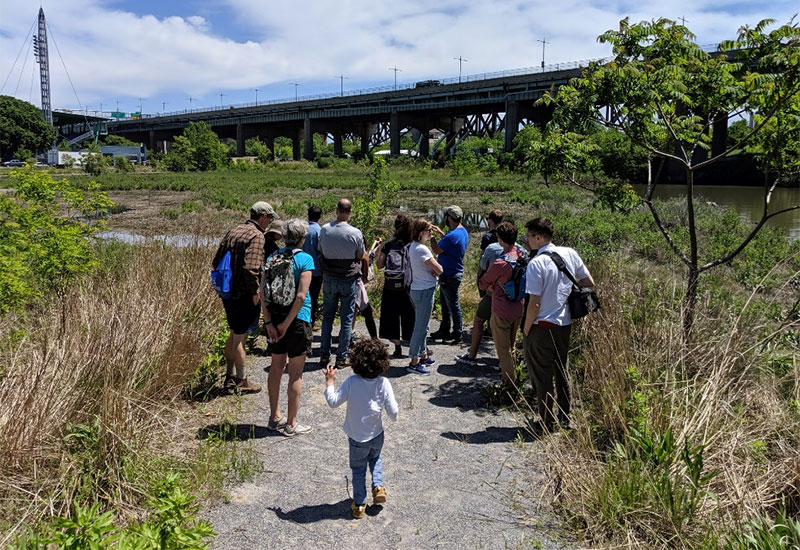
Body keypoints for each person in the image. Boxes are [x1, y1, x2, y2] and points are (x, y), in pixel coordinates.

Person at [522, 218, 594, 430]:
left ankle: (546, 421)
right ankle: (564, 416)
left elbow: (534, 304)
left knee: (543, 375)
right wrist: (563, 293)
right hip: (564, 324)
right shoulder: (569, 253)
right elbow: (588, 282)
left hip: (542, 325)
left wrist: (526, 329)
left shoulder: (536, 263)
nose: (526, 241)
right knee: (562, 370)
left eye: (528, 237)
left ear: (538, 238)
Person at [323, 339, 398, 519]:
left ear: (356, 361)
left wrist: (330, 382)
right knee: (375, 458)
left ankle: (359, 505)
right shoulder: (384, 383)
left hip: (357, 438)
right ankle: (378, 486)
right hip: (377, 433)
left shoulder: (351, 382)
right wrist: (394, 417)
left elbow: (333, 402)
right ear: (383, 362)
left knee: (358, 469)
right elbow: (393, 411)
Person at [211, 201, 278, 393]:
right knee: (240, 337)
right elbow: (252, 268)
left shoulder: (234, 231)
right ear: (263, 216)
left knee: (234, 333)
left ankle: (229, 376)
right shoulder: (257, 236)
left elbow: (216, 261)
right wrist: (256, 292)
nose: (270, 222)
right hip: (244, 295)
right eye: (270, 218)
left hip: (228, 291)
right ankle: (242, 380)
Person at [263, 219, 315, 436]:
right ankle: (292, 423)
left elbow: (263, 294)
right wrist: (287, 324)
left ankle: (275, 416)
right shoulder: (305, 259)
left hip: (274, 320)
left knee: (276, 367)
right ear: (302, 238)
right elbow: (301, 296)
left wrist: (270, 324)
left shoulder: (272, 258)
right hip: (297, 321)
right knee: (295, 373)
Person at [318, 199, 369, 369]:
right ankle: (341, 356)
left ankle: (324, 355)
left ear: (336, 210)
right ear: (350, 212)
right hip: (348, 278)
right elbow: (361, 254)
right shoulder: (355, 233)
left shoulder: (324, 230)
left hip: (329, 277)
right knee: (346, 319)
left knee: (328, 317)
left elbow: (321, 251)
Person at [478, 222, 528, 389]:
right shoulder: (523, 255)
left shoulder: (500, 263)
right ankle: (515, 377)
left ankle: (509, 385)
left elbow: (483, 284)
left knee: (502, 349)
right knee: (512, 346)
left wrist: (492, 286)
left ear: (500, 240)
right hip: (518, 307)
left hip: (501, 309)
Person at [455, 240, 504, 367]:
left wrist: (482, 287)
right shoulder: (520, 251)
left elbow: (481, 269)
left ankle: (472, 355)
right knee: (507, 329)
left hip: (493, 293)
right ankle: (507, 360)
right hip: (513, 298)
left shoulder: (492, 248)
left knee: (478, 320)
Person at [407, 218, 443, 375]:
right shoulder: (422, 249)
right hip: (424, 291)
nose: (431, 233)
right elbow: (439, 269)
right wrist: (435, 269)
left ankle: (423, 355)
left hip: (418, 289)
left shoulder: (413, 247)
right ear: (421, 232)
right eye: (429, 230)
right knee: (420, 328)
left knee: (424, 325)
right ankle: (414, 361)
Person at [376, 214, 415, 359]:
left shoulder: (389, 245)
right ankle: (414, 347)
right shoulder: (412, 245)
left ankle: (397, 347)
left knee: (391, 318)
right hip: (407, 287)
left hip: (390, 287)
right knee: (410, 316)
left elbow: (380, 265)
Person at [429, 205, 468, 344]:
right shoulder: (461, 231)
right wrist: (441, 232)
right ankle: (444, 329)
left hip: (450, 275)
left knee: (453, 305)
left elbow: (437, 249)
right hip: (452, 273)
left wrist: (432, 237)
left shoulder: (452, 235)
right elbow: (450, 242)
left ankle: (457, 333)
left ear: (449, 218)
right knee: (445, 304)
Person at [302, 205, 323, 325]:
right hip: (316, 270)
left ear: (308, 214)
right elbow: (321, 251)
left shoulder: (302, 229)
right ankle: (310, 322)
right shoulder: (319, 231)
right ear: (320, 217)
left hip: (301, 269)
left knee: (301, 295)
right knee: (313, 298)